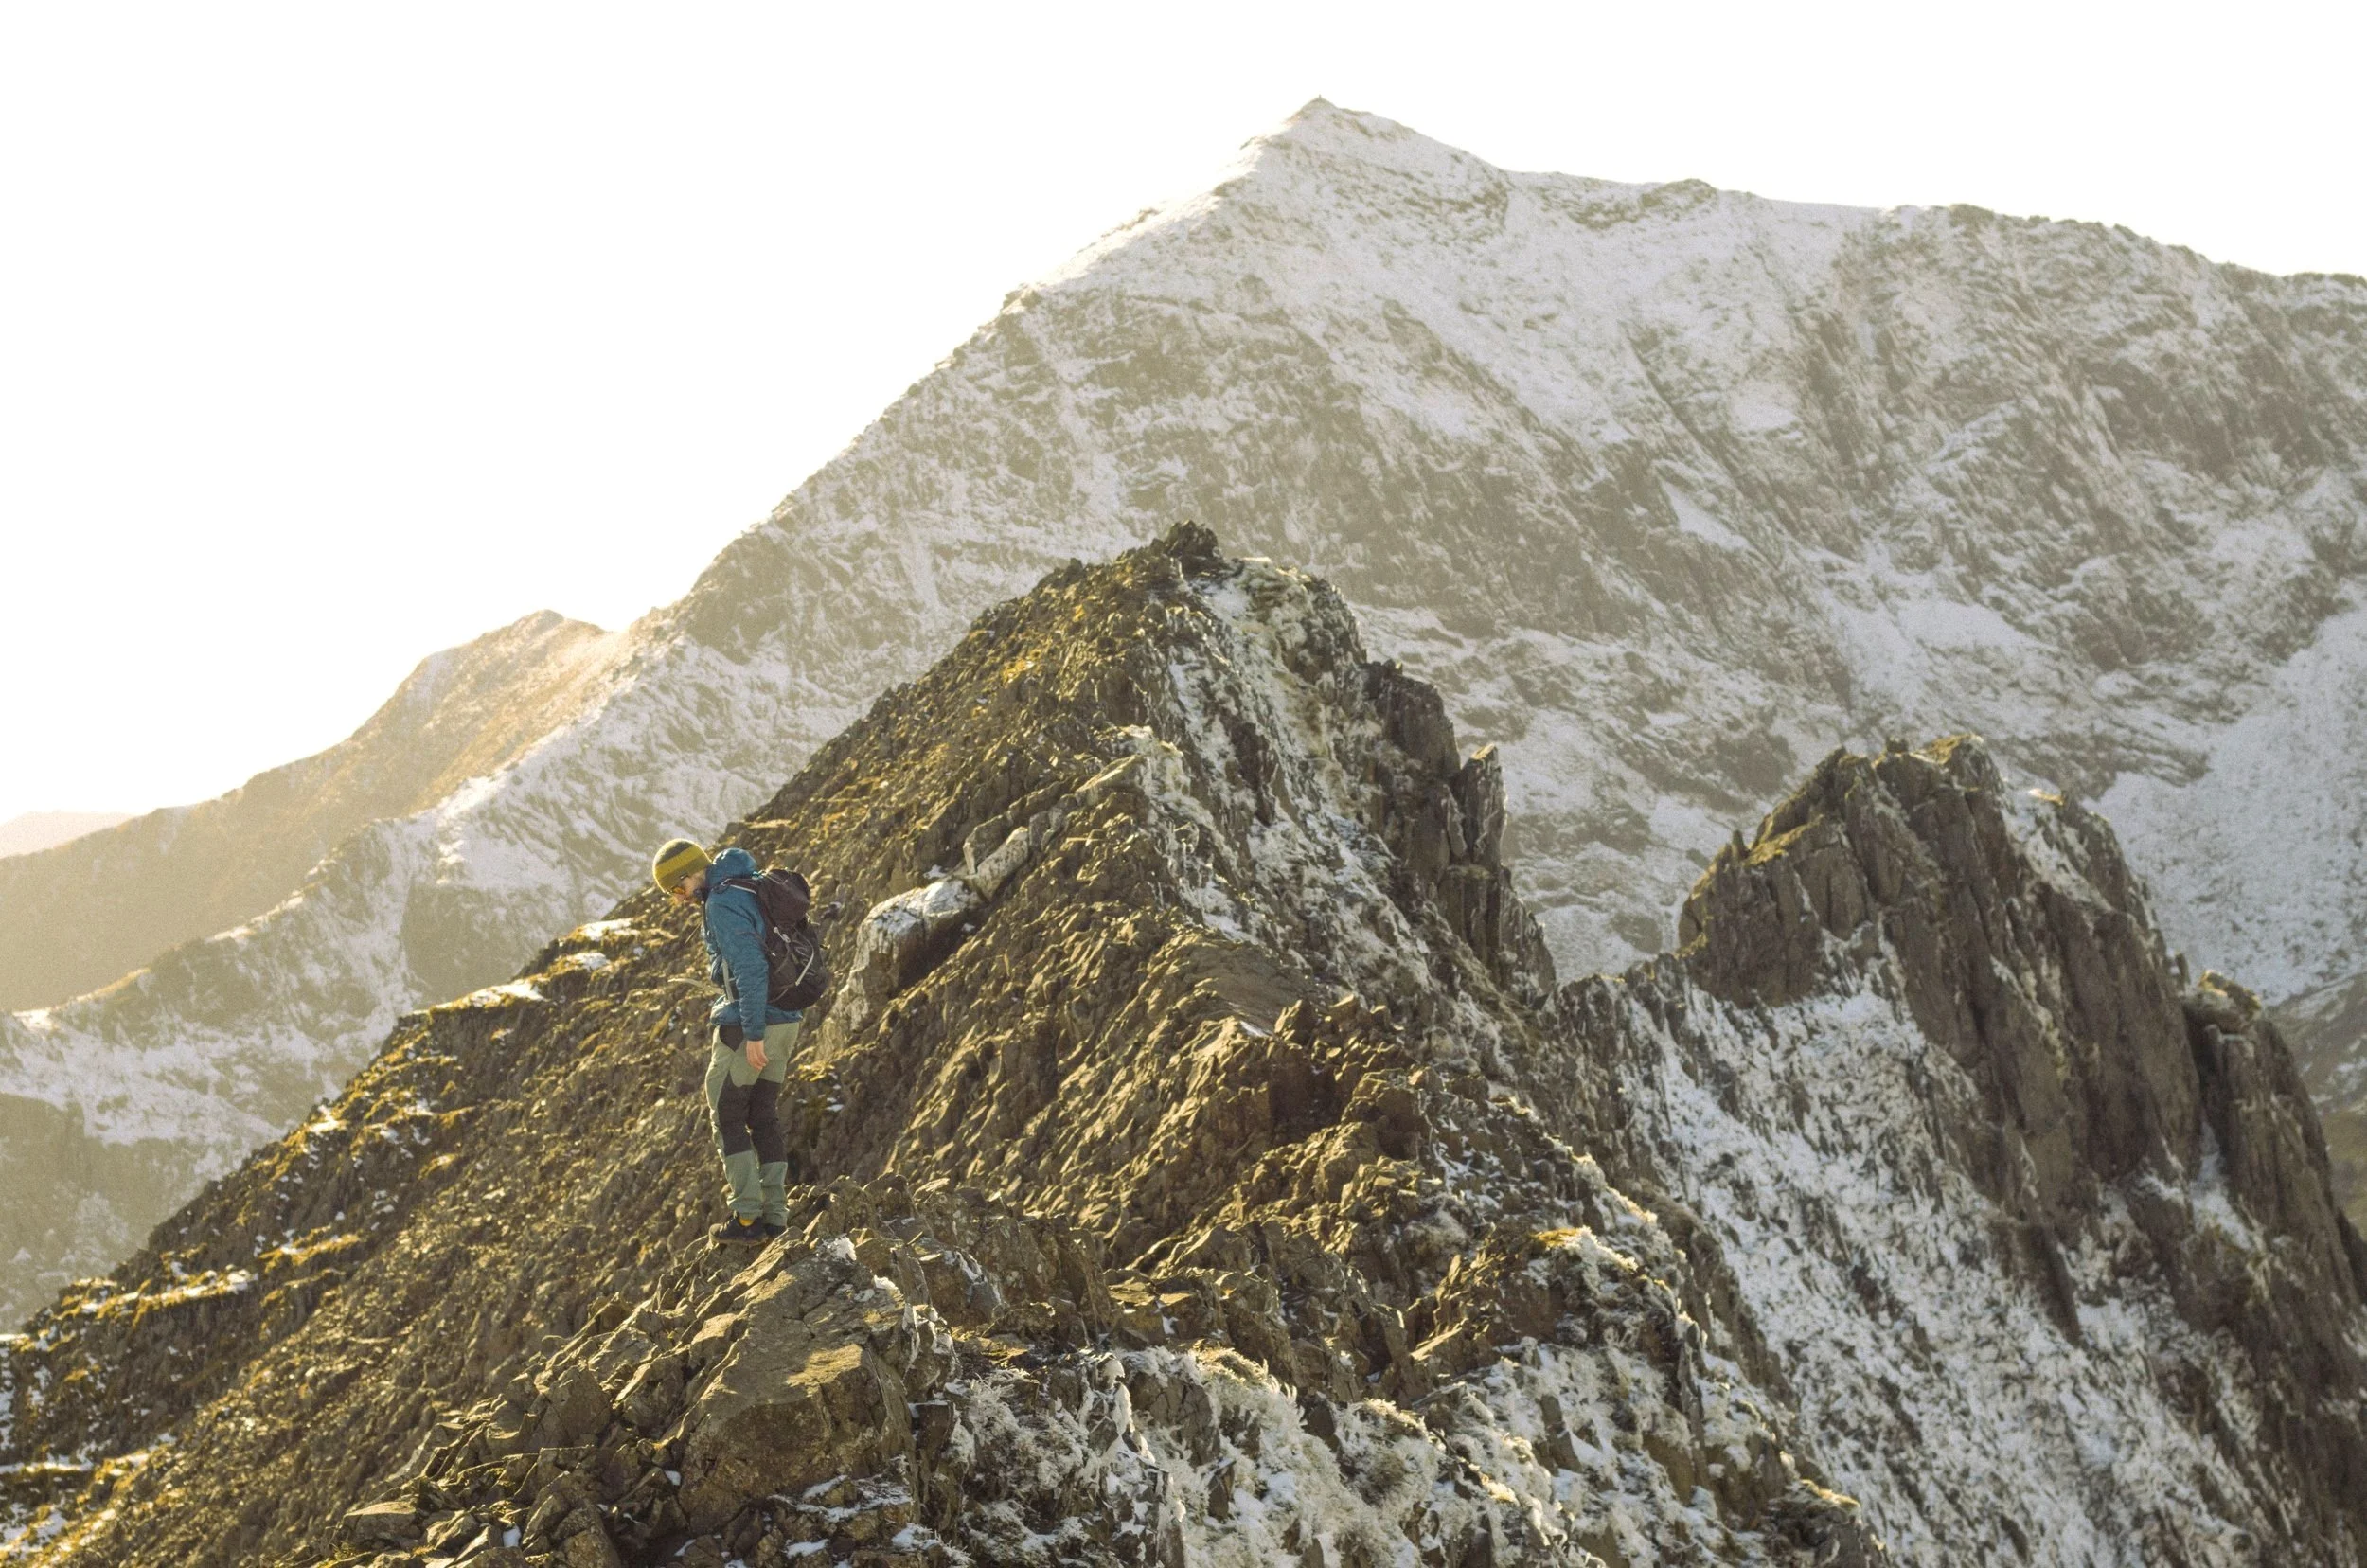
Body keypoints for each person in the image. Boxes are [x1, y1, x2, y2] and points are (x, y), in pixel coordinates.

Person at [652, 837, 803, 1245]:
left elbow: (750, 968)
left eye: (675, 888)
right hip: (787, 1019)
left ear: (689, 874)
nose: (678, 898)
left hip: (753, 1026)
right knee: (764, 1115)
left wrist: (753, 1034)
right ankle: (775, 1216)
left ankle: (748, 1219)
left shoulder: (721, 902)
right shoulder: (749, 885)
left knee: (727, 1113)